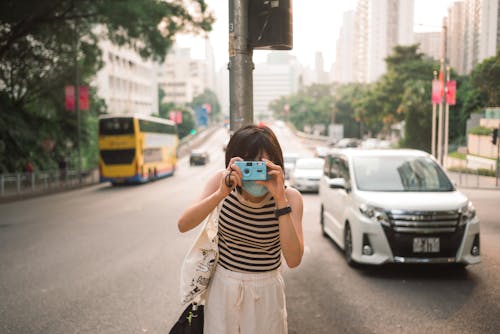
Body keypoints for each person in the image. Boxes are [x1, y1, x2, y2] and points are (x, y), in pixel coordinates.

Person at [177, 124, 304, 334]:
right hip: (223, 288)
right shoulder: (221, 182)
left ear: (275, 164)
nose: (253, 175)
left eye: (260, 166)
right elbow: (184, 224)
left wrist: (280, 199)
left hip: (267, 292)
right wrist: (220, 193)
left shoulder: (290, 198)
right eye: (247, 165)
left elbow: (293, 259)